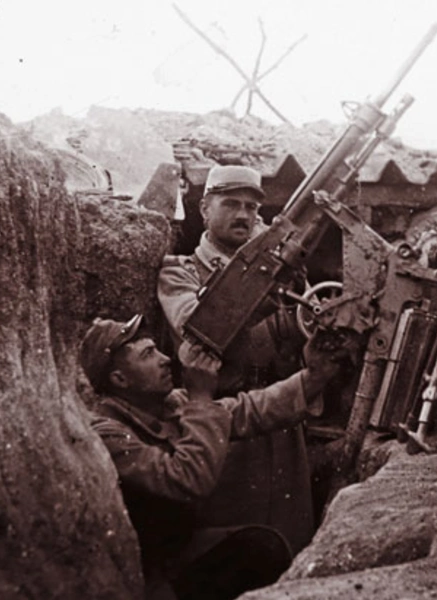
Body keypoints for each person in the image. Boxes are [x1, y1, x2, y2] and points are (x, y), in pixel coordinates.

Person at [80, 314, 342, 600]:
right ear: (120, 379)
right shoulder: (105, 433)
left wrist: (314, 376)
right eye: (148, 354)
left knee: (264, 546)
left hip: (180, 545)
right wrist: (201, 397)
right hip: (148, 571)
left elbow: (247, 410)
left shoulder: (168, 403)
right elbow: (186, 480)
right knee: (258, 552)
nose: (166, 359)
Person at [157, 165, 318, 553]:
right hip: (221, 426)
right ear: (204, 211)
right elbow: (200, 328)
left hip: (280, 423)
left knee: (288, 543)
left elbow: (294, 334)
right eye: (231, 204)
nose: (243, 215)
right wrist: (259, 280)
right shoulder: (180, 272)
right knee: (228, 549)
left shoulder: (276, 274)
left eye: (251, 207)